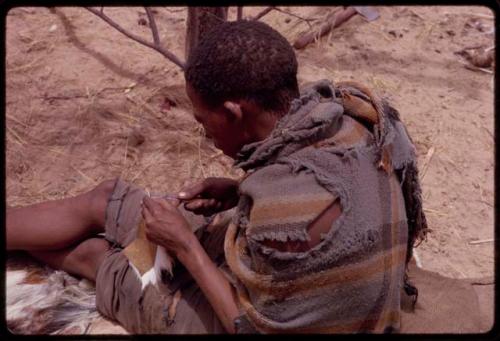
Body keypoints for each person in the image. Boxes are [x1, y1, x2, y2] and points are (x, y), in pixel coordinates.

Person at [6, 20, 427, 334]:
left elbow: (248, 327)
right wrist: (240, 190)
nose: (204, 135)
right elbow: (322, 202)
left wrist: (185, 245)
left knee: (104, 258)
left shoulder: (287, 216)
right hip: (271, 259)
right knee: (107, 199)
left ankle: (91, 265)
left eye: (204, 121)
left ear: (233, 112)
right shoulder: (347, 120)